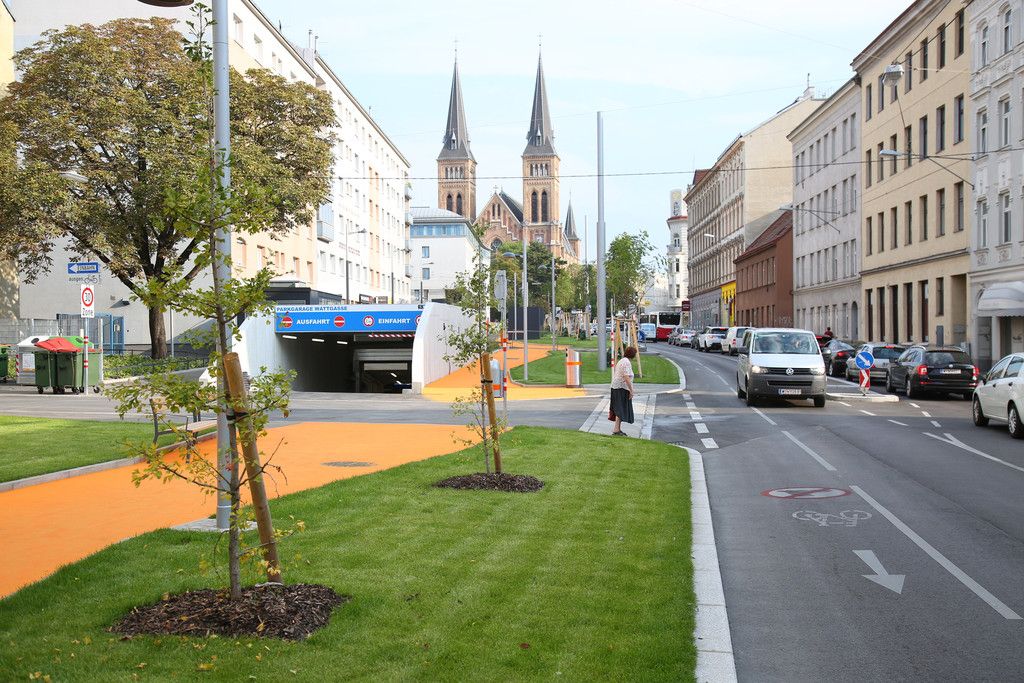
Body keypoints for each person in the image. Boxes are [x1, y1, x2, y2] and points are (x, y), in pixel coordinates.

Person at [609, 346, 636, 436]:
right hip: (621, 388)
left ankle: (617, 429)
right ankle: (616, 429)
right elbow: (626, 377)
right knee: (620, 409)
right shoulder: (626, 362)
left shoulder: (622, 360)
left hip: (617, 387)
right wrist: (631, 390)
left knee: (619, 409)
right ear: (632, 355)